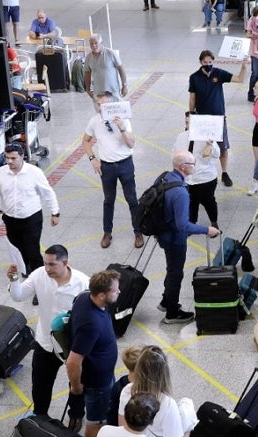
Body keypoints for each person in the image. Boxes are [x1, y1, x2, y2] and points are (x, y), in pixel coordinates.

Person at [7, 244, 89, 426]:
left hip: (71, 347)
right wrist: (13, 279)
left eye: (52, 264)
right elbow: (18, 296)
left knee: (76, 383)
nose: (47, 269)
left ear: (65, 263)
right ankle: (39, 415)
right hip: (45, 342)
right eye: (45, 263)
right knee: (40, 384)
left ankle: (76, 414)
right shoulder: (38, 275)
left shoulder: (83, 283)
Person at [157, 151, 220, 324]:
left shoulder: (166, 177)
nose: (195, 166)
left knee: (171, 269)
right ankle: (171, 313)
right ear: (183, 167)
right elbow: (182, 225)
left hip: (163, 233)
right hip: (174, 239)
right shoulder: (180, 193)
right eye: (192, 163)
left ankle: (165, 299)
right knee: (175, 273)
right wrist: (207, 229)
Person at [66, 269, 121, 437]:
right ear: (102, 295)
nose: (119, 292)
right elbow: (73, 362)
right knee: (96, 423)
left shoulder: (84, 298)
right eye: (115, 290)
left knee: (102, 416)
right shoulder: (91, 324)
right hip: (96, 384)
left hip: (103, 376)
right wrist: (76, 388)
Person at [83, 91, 144, 250]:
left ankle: (138, 232)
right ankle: (107, 232)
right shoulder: (94, 121)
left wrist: (122, 128)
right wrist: (93, 159)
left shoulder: (124, 121)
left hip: (125, 164)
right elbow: (85, 141)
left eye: (105, 105)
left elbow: (131, 144)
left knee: (132, 199)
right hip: (107, 166)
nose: (102, 107)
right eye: (99, 104)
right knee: (108, 200)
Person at [122, 346, 189, 437]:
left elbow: (123, 427)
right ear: (164, 373)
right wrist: (189, 428)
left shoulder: (127, 391)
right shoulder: (166, 404)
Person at [0, 142, 60, 275]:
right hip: (10, 219)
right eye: (7, 158)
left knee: (32, 249)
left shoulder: (34, 173)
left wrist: (55, 212)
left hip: (31, 219)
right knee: (18, 247)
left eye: (13, 158)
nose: (9, 161)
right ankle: (25, 268)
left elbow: (48, 193)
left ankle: (39, 274)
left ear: (22, 156)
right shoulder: (0, 172)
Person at [188, 49, 250, 187]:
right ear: (200, 62)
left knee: (223, 148)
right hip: (202, 119)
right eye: (205, 62)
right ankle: (199, 171)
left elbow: (239, 79)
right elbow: (192, 97)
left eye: (210, 62)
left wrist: (243, 66)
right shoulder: (194, 77)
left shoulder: (218, 73)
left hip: (218, 118)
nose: (208, 64)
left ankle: (225, 172)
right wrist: (191, 114)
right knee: (200, 147)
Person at [174, 111, 221, 228]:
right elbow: (175, 155)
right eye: (186, 123)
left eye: (191, 123)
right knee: (191, 203)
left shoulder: (207, 138)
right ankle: (191, 223)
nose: (188, 126)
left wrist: (210, 144)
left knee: (208, 201)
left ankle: (214, 222)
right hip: (187, 179)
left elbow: (216, 154)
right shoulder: (181, 137)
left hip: (205, 178)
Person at [83, 34, 128, 102]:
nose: (93, 45)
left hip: (113, 91)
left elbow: (121, 69)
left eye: (96, 43)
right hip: (98, 92)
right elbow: (87, 73)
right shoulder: (88, 57)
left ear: (101, 43)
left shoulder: (111, 53)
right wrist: (88, 89)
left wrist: (124, 85)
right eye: (91, 44)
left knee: (115, 111)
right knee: (102, 111)